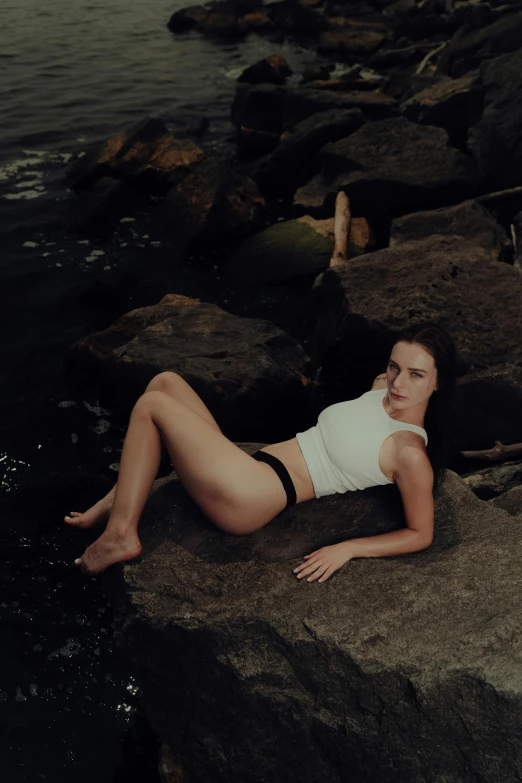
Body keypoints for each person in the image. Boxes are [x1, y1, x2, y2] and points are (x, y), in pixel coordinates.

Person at [67, 321, 457, 580]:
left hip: (252, 495)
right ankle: (120, 496)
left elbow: (420, 533)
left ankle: (121, 534)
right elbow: (373, 400)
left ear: (438, 384)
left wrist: (349, 549)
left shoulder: (408, 453)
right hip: (249, 466)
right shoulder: (380, 389)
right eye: (394, 367)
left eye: (416, 374)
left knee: (151, 408)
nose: (398, 382)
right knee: (165, 382)